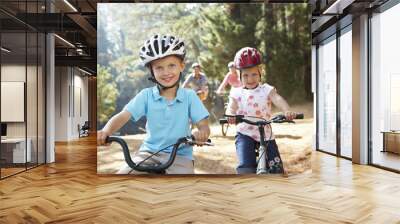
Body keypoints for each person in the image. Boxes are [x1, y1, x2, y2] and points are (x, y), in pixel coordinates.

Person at [97, 34, 211, 174]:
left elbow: (204, 125)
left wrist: (201, 133)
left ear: (182, 66)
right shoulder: (146, 96)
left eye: (171, 65)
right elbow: (124, 115)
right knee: (122, 179)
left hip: (180, 156)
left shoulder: (189, 96)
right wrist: (106, 131)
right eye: (159, 68)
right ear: (152, 71)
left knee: (185, 189)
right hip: (148, 153)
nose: (166, 72)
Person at [225, 47, 296, 174]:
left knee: (276, 168)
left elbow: (277, 99)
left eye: (254, 74)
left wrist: (287, 110)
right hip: (245, 133)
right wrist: (230, 114)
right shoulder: (237, 92)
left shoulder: (266, 89)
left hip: (266, 133)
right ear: (239, 75)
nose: (250, 79)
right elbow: (232, 106)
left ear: (260, 72)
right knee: (245, 167)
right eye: (245, 75)